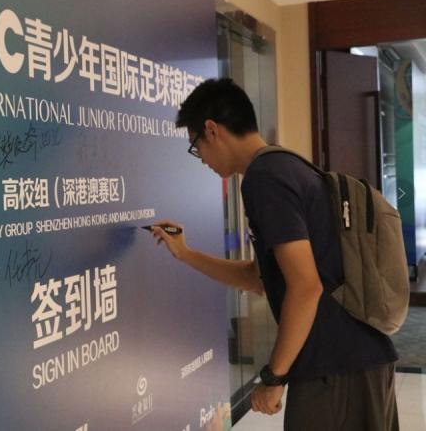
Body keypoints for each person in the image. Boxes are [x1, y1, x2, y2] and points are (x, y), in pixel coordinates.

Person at [152, 78, 399, 430]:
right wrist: (186, 253)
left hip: (336, 368)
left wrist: (274, 376)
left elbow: (305, 286)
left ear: (212, 130)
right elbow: (257, 278)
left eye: (196, 146)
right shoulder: (285, 166)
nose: (201, 159)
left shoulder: (264, 178)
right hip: (355, 359)